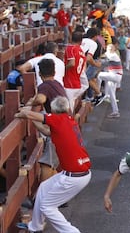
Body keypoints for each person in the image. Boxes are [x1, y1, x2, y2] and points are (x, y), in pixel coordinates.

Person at [15, 96, 91, 233]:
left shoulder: (57, 119)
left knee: (47, 206)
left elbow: (28, 113)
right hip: (81, 172)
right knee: (44, 187)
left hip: (73, 176)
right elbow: (47, 131)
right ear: (67, 109)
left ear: (54, 111)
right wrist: (32, 119)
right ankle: (35, 226)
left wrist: (20, 113)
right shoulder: (69, 120)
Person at [27, 59, 67, 182]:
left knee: (47, 164)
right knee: (53, 164)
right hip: (65, 126)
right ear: (54, 72)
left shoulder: (44, 86)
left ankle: (44, 195)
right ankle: (55, 192)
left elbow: (41, 99)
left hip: (58, 127)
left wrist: (29, 104)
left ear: (39, 73)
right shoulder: (57, 84)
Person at [96, 43, 123, 118]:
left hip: (115, 76)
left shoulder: (113, 55)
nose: (109, 50)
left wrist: (99, 57)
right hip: (114, 76)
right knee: (112, 95)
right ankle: (115, 111)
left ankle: (98, 94)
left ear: (113, 49)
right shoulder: (112, 55)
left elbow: (103, 59)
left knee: (99, 75)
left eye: (110, 49)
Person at [64, 31, 87, 114]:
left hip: (69, 83)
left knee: (68, 110)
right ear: (81, 42)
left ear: (70, 39)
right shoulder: (82, 52)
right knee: (70, 108)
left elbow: (72, 63)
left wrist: (62, 70)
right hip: (77, 84)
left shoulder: (70, 48)